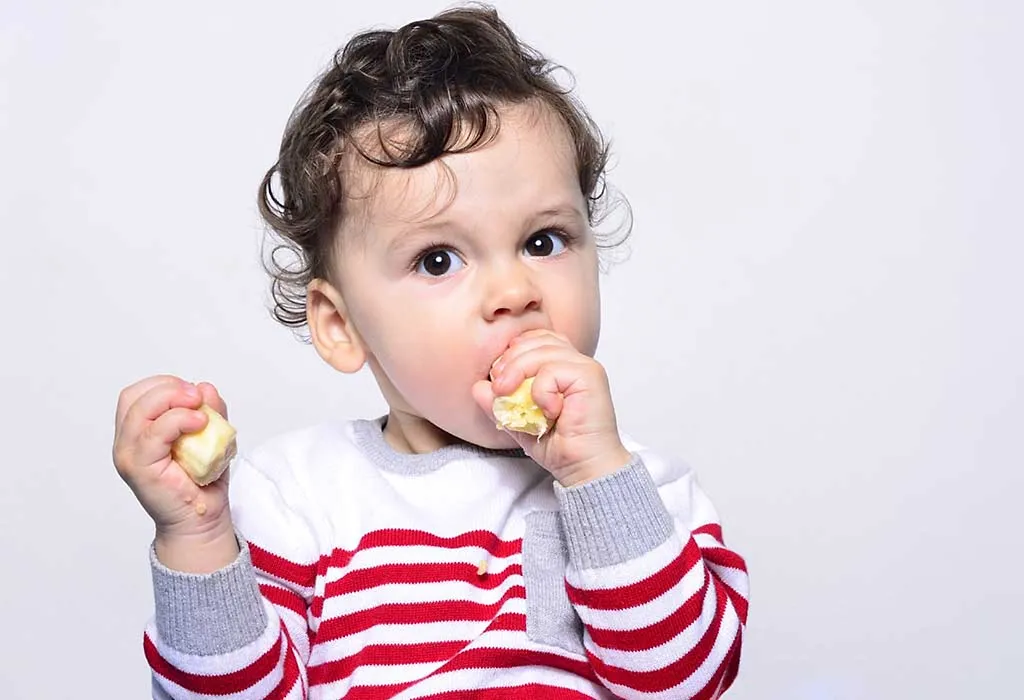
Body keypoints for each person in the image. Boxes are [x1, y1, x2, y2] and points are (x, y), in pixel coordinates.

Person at [112, 4, 749, 698]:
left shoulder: (642, 491)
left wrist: (596, 475)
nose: (514, 290)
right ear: (340, 323)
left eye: (543, 242)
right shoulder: (297, 499)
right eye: (439, 259)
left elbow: (686, 683)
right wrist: (199, 540)